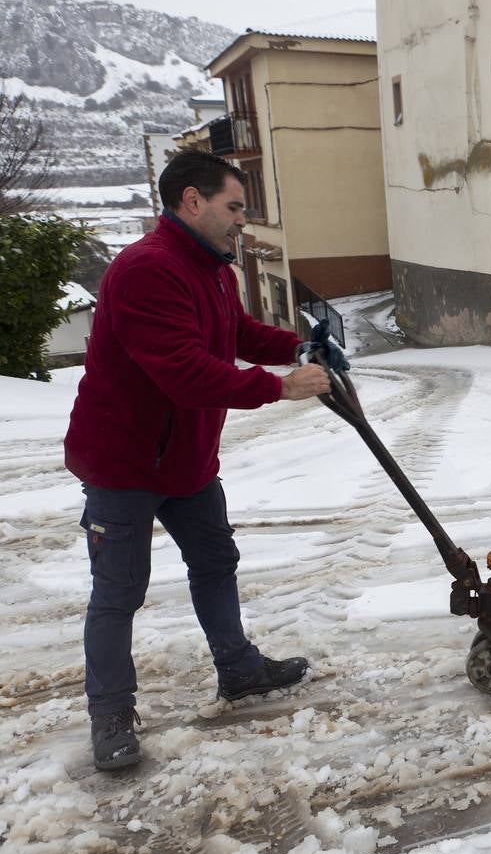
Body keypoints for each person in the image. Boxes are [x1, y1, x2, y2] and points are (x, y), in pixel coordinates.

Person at [64, 150, 339, 772]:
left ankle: (238, 670)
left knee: (216, 561)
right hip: (125, 464)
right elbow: (186, 373)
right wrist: (280, 387)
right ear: (193, 201)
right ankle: (110, 714)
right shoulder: (146, 271)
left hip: (187, 460)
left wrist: (296, 345)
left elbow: (234, 334)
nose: (242, 219)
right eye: (234, 206)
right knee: (118, 591)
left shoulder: (214, 269)